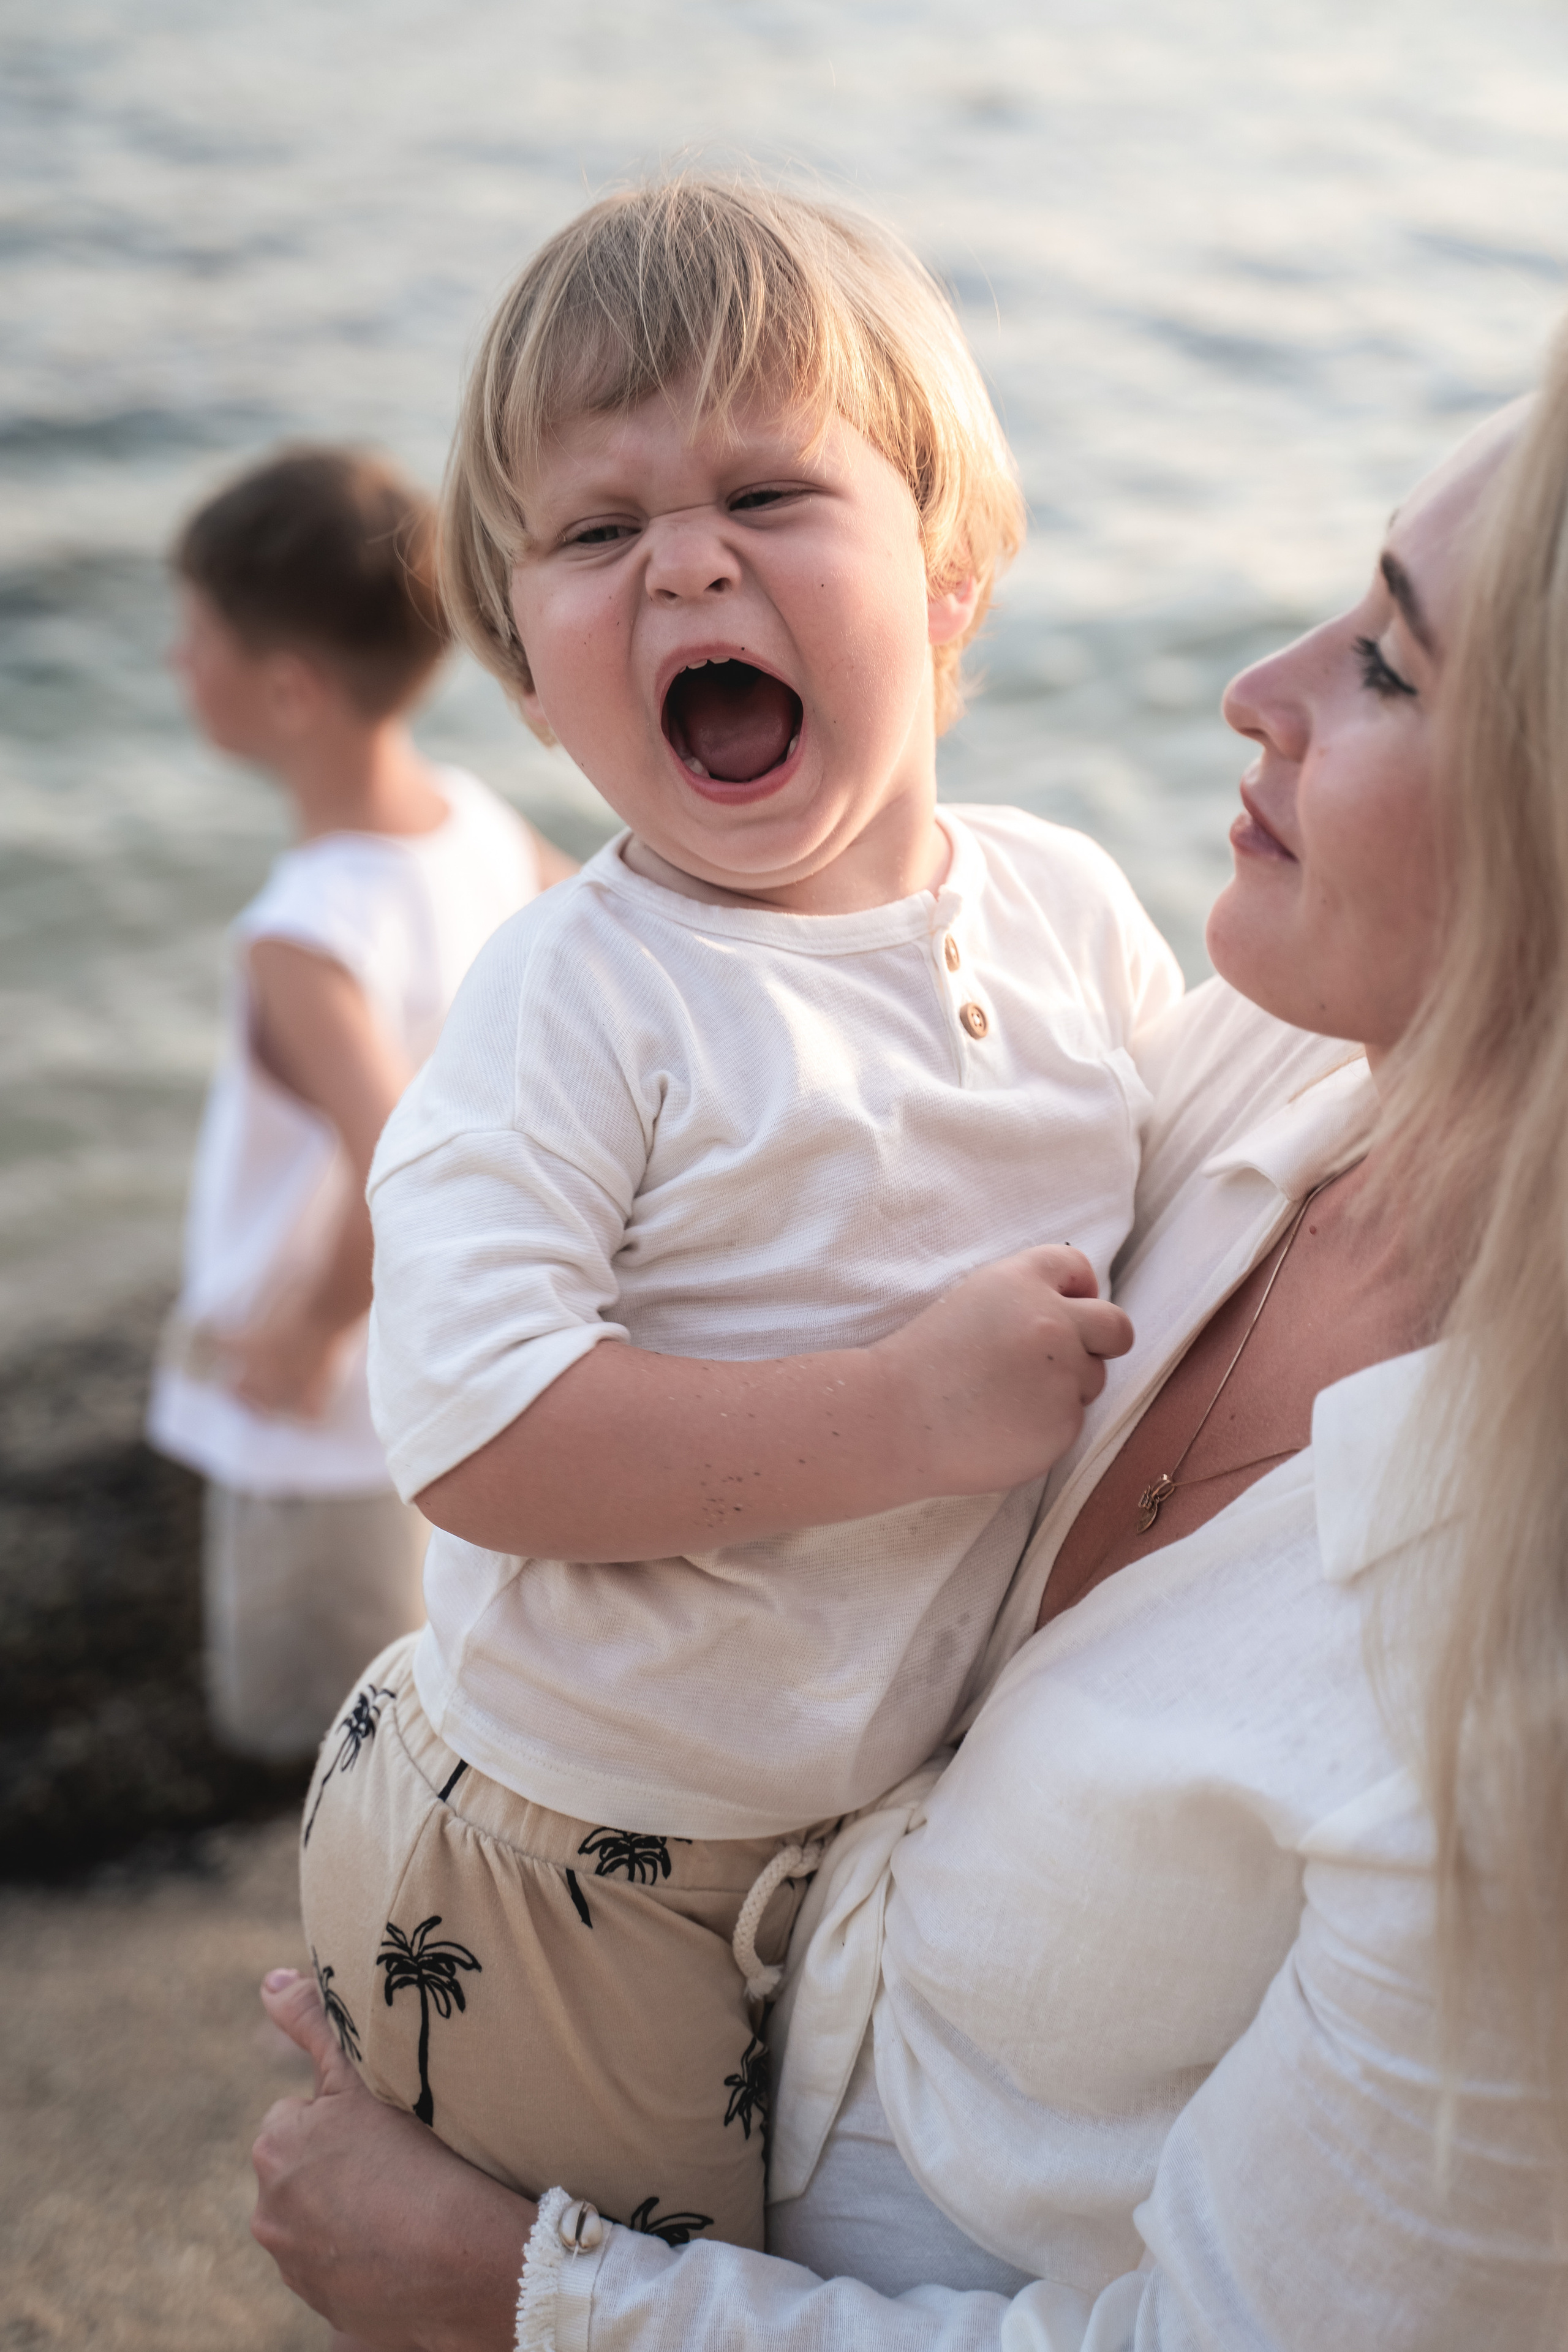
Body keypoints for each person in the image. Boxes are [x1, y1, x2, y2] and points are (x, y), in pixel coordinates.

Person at [251, 340, 1568, 2344]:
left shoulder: (1519, 1683)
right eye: (603, 535)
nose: (1257, 686)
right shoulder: (1270, 1057)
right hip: (607, 1880)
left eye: (1386, 664)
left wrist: (514, 2295)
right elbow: (512, 1408)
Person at [296, 175, 1182, 2264]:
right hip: (553, 1851)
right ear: (527, 674)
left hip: (840, 1822)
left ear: (951, 576)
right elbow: (480, 1434)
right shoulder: (575, 994)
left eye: (772, 496)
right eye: (598, 537)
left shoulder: (1064, 908)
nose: (686, 556)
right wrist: (895, 1416)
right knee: (581, 2310)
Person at [148, 447, 572, 1763]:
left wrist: (309, 1329)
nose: (174, 662)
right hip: (438, 1383)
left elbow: (400, 1160)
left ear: (287, 690)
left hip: (317, 1409)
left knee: (314, 1727)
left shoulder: (304, 933)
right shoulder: (480, 826)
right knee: (423, 1673)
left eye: (195, 634)